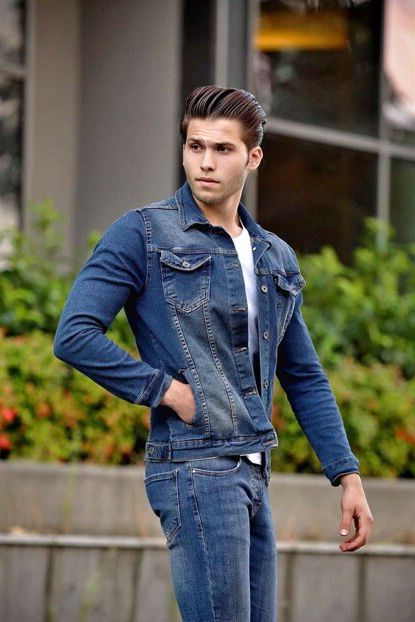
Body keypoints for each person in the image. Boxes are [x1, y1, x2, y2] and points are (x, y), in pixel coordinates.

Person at [54, 85, 374, 622]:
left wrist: (347, 475)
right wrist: (168, 392)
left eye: (223, 149)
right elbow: (74, 334)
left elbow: (304, 375)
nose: (205, 162)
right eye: (195, 146)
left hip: (254, 470)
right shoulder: (143, 233)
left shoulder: (274, 255)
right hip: (194, 468)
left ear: (253, 157)